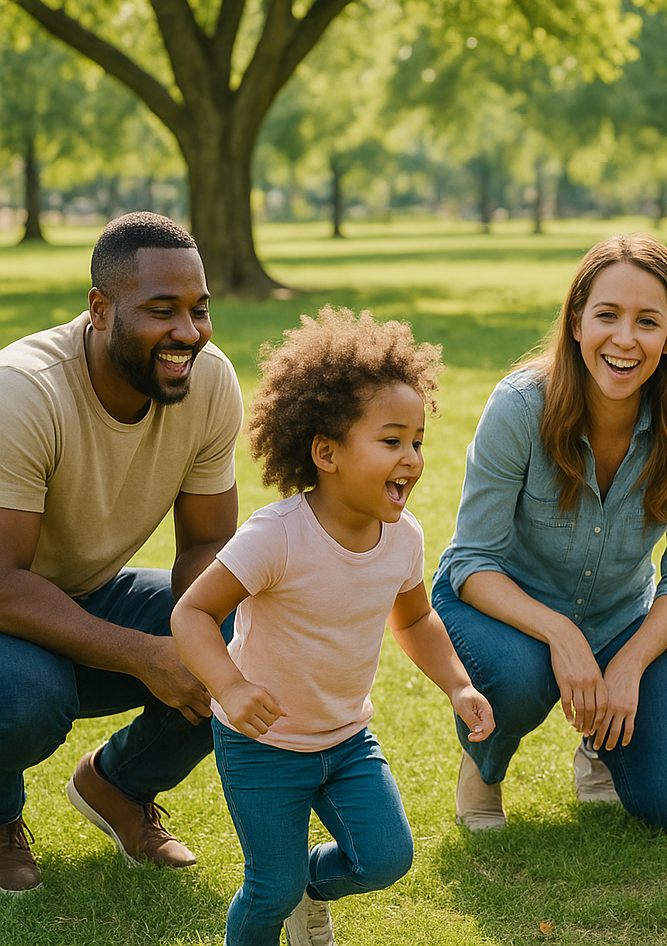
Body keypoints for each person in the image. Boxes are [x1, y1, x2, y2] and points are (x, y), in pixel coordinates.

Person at [170, 307, 494, 946]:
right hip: (262, 746)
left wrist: (458, 685)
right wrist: (230, 689)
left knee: (385, 859)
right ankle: (285, 897)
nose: (411, 458)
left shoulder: (403, 539)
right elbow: (192, 613)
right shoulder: (276, 537)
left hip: (346, 740)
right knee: (268, 890)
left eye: (417, 441)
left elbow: (418, 618)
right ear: (326, 452)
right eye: (391, 440)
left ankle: (306, 892)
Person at [434, 233, 667, 833]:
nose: (625, 340)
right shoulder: (519, 407)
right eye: (607, 316)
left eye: (647, 322)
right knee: (522, 675)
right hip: (503, 607)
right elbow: (471, 562)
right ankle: (484, 763)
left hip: (622, 616)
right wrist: (560, 633)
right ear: (575, 322)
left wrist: (630, 663)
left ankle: (599, 743)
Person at [0, 213, 243, 895]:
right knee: (25, 698)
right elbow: (2, 583)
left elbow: (207, 543)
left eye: (199, 310)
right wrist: (146, 655)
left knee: (238, 633)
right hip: (7, 604)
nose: (188, 332)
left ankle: (118, 786)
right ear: (100, 310)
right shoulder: (23, 392)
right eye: (161, 310)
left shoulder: (209, 381)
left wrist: (201, 638)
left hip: (82, 593)